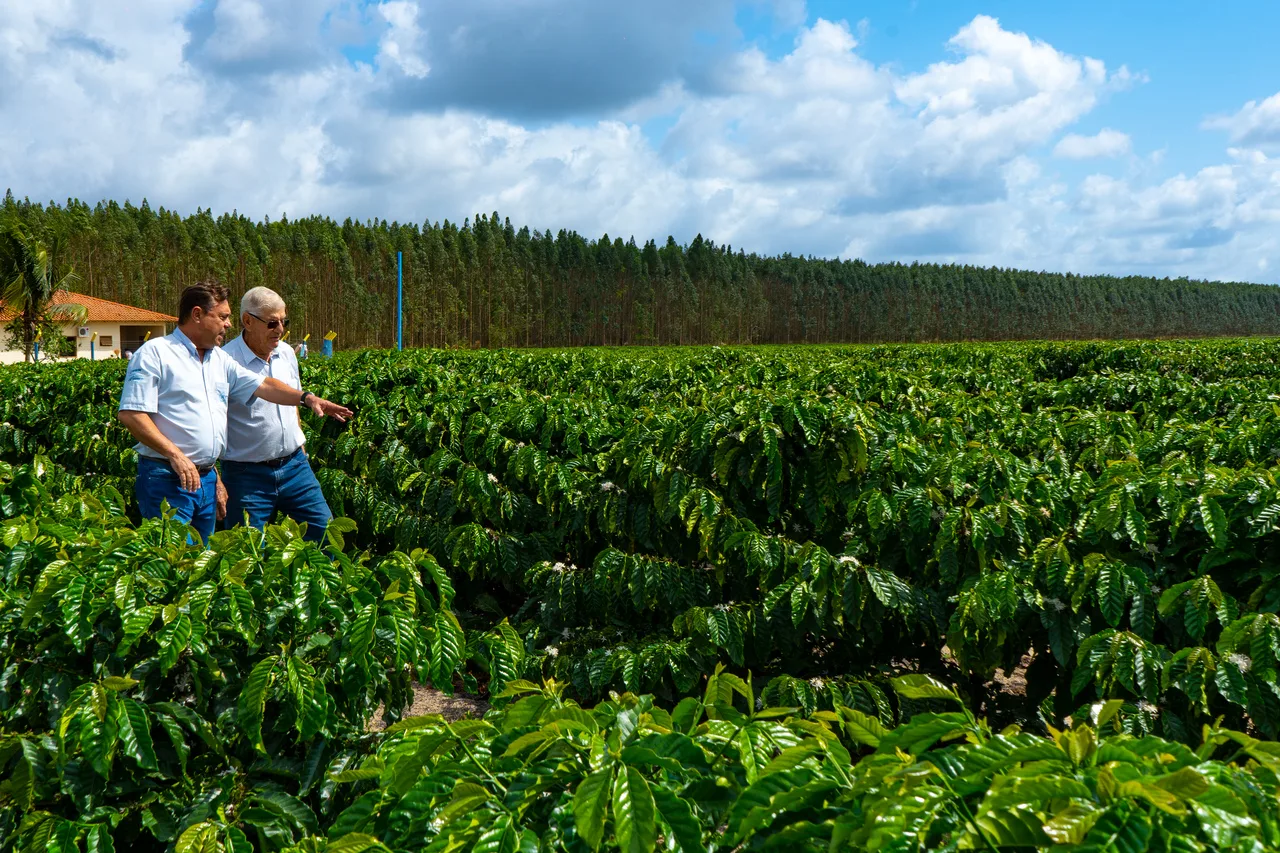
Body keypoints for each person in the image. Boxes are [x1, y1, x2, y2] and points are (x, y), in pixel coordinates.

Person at [117, 281, 352, 543]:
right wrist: (176, 455)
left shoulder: (218, 359)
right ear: (197, 315)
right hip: (168, 477)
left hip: (203, 478)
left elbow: (262, 385)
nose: (228, 324)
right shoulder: (156, 353)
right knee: (172, 563)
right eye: (222, 317)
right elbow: (131, 414)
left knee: (202, 563)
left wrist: (307, 398)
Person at [221, 287, 331, 542]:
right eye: (272, 323)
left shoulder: (287, 354)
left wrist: (300, 443)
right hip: (246, 476)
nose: (280, 330)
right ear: (247, 321)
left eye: (284, 321)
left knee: (327, 536)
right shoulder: (226, 361)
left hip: (295, 468)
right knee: (245, 551)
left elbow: (294, 398)